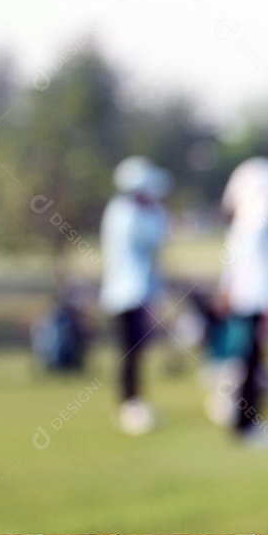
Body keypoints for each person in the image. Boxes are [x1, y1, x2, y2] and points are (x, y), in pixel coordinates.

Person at [215, 157, 268, 446]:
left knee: (250, 362)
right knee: (251, 363)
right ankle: (246, 425)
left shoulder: (246, 219)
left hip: (247, 301)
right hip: (254, 302)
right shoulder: (259, 220)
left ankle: (246, 421)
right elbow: (265, 269)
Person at [99, 156, 172, 435]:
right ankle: (130, 405)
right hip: (125, 294)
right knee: (129, 352)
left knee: (138, 352)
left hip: (141, 292)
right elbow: (152, 240)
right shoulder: (125, 213)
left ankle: (135, 401)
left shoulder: (135, 212)